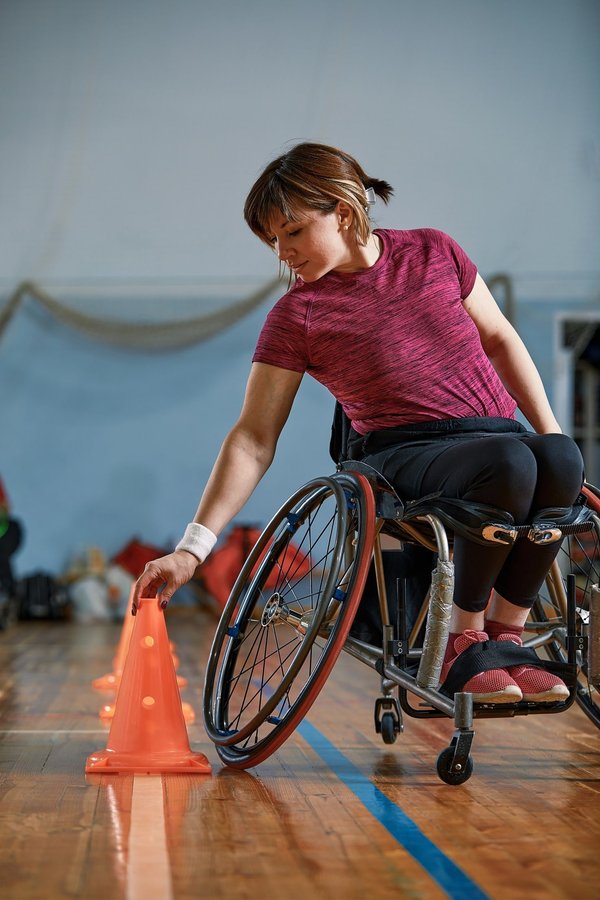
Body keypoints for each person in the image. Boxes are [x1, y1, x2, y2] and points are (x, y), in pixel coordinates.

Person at [133, 142, 584, 703]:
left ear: (343, 210)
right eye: (273, 239)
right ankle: (461, 641)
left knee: (562, 456)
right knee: (512, 462)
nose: (283, 251)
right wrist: (192, 548)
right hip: (402, 453)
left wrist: (549, 432)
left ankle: (506, 638)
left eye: (292, 231)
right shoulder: (297, 315)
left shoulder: (434, 251)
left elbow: (498, 339)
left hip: (494, 437)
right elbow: (252, 438)